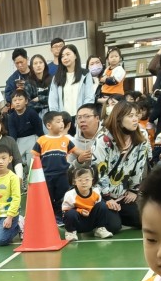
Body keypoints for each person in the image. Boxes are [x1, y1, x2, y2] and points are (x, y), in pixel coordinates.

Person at [93, 101, 150, 229]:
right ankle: (101, 212)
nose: (135, 119)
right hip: (102, 194)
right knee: (113, 226)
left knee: (143, 220)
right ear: (119, 119)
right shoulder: (103, 139)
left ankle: (117, 213)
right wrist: (107, 198)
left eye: (136, 115)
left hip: (123, 193)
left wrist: (134, 190)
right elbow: (99, 171)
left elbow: (140, 165)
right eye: (130, 116)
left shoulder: (142, 135)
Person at [61, 166, 119, 241]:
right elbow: (65, 211)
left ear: (92, 180)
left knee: (102, 205)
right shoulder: (70, 194)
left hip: (91, 222)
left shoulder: (96, 192)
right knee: (70, 213)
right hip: (78, 223)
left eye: (87, 179)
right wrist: (80, 211)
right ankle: (70, 232)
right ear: (74, 182)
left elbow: (99, 209)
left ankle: (100, 228)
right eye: (80, 180)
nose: (84, 182)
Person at [34, 111, 73, 220]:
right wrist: (34, 174)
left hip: (63, 174)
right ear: (49, 125)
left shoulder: (66, 139)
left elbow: (75, 151)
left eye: (62, 121)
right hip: (46, 174)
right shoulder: (41, 140)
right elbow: (35, 157)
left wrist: (84, 153)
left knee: (63, 196)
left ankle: (61, 216)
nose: (61, 124)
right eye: (58, 121)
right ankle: (49, 217)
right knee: (48, 196)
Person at [48, 45, 96, 118]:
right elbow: (53, 100)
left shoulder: (85, 74)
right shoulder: (56, 77)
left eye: (68, 54)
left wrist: (83, 114)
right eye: (62, 56)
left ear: (75, 56)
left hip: (81, 117)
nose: (65, 58)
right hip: (63, 118)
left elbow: (89, 97)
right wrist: (56, 117)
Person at [5, 90, 44, 176]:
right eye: (15, 100)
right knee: (18, 161)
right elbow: (12, 134)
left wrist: (42, 141)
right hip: (19, 140)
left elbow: (39, 130)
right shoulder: (11, 117)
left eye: (20, 99)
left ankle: (32, 178)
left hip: (32, 138)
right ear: (12, 103)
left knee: (32, 161)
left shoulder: (32, 113)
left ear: (26, 101)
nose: (17, 102)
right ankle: (21, 178)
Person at [71, 102, 103, 175]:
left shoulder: (107, 138)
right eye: (79, 117)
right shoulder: (73, 143)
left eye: (87, 116)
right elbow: (69, 170)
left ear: (97, 118)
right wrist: (79, 161)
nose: (82, 120)